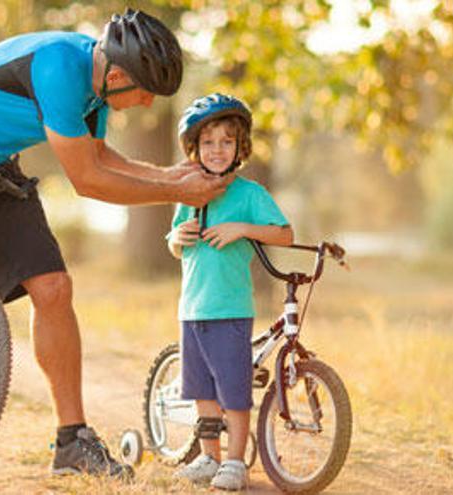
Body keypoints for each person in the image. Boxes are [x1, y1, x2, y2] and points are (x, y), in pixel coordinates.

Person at [0, 9, 230, 491]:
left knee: (53, 286)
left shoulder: (97, 85)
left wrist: (169, 175)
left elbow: (96, 154)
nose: (148, 100)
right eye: (145, 89)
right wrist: (178, 192)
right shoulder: (59, 67)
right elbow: (87, 180)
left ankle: (71, 441)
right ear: (117, 75)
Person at [166, 94, 293, 491]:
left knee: (233, 390)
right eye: (207, 142)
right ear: (194, 149)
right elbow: (174, 244)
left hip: (229, 308)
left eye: (226, 141)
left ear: (240, 148)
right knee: (202, 390)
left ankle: (236, 462)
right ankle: (209, 456)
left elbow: (285, 235)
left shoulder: (250, 195)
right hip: (192, 309)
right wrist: (177, 236)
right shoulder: (189, 193)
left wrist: (242, 228)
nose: (217, 150)